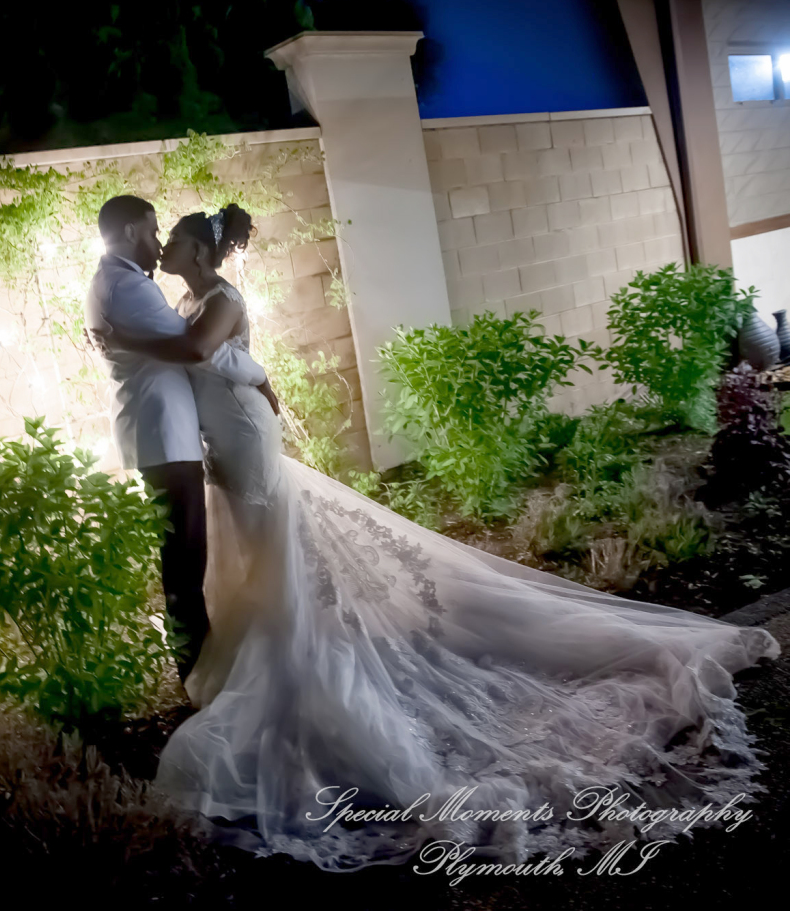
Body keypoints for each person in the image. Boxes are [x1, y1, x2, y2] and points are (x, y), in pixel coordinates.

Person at [97, 202, 781, 872]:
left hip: (245, 439)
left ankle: (303, 653)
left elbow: (208, 356)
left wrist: (230, 373)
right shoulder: (182, 304)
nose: (166, 250)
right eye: (165, 240)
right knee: (266, 548)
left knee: (275, 544)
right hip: (226, 445)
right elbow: (203, 361)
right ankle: (290, 637)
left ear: (199, 250)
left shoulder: (216, 300)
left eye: (177, 242)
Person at [83, 195, 279, 685]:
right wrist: (259, 375)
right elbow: (196, 348)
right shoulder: (129, 287)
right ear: (129, 233)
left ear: (196, 252)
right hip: (167, 436)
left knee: (214, 554)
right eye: (154, 232)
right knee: (187, 564)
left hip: (206, 432)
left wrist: (259, 376)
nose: (159, 242)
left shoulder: (149, 288)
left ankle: (243, 652)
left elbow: (200, 350)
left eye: (169, 236)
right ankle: (200, 675)